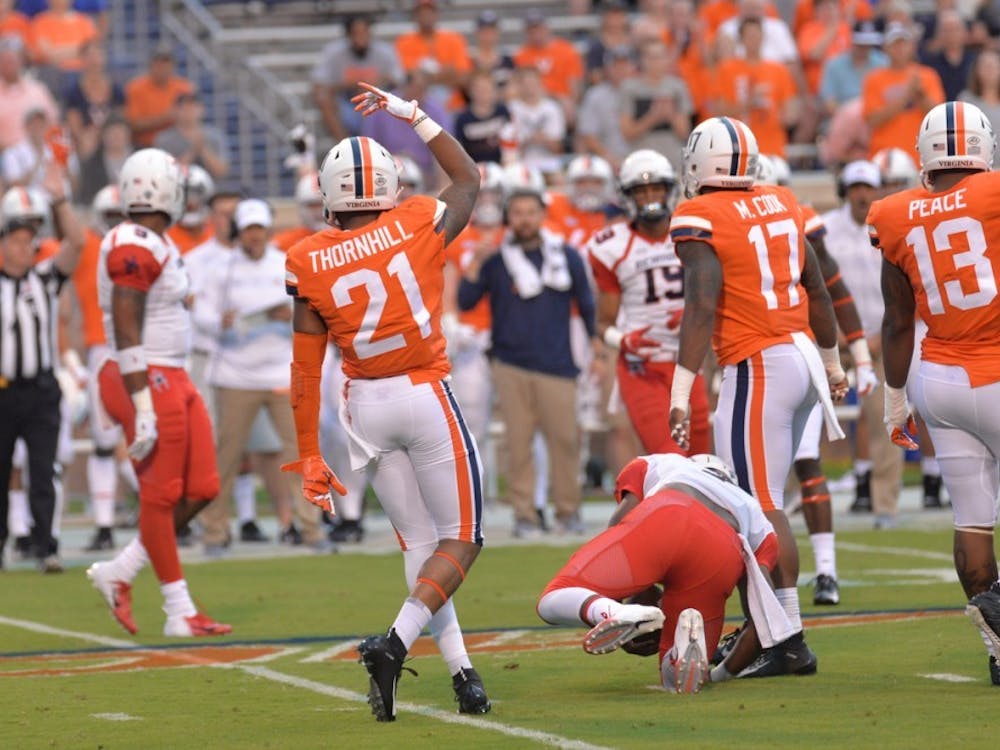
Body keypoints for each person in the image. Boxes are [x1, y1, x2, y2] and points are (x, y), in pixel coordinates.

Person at [283, 82, 488, 721]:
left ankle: (463, 675)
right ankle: (394, 642)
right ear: (387, 186)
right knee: (464, 538)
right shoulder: (415, 220)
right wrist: (414, 114)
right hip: (424, 392)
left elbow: (304, 364)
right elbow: (469, 177)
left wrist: (310, 453)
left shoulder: (308, 258)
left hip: (364, 407)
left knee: (419, 547)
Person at [667, 116, 849, 677]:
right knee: (766, 497)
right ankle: (782, 634)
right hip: (797, 355)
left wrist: (680, 390)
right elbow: (815, 286)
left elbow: (701, 304)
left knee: (757, 505)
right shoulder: (782, 200)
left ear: (701, 165)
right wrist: (831, 359)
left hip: (758, 362)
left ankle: (785, 638)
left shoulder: (699, 212)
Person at [870, 100, 1000, 686]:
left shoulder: (895, 214)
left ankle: (998, 648)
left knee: (972, 520)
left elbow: (897, 321)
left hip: (939, 380)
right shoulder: (994, 194)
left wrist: (895, 400)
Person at [86, 148, 230, 637]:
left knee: (203, 487)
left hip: (174, 373)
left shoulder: (156, 241)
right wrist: (142, 402)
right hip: (145, 374)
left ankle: (120, 571)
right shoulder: (134, 240)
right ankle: (178, 611)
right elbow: (127, 324)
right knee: (162, 494)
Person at [537, 453, 807, 691]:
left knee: (553, 597)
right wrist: (721, 675)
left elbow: (620, 524)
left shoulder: (662, 462)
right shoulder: (753, 511)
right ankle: (681, 655)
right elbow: (762, 622)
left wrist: (630, 596)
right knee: (672, 678)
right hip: (722, 550)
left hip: (668, 512)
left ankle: (612, 613)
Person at [756, 154, 878, 605]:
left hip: (794, 355)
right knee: (752, 480)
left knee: (804, 462)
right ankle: (766, 579)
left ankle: (823, 573)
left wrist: (855, 357)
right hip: (752, 358)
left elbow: (833, 290)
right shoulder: (730, 227)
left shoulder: (800, 223)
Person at [459, 163, 596, 538]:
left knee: (565, 444)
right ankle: (525, 515)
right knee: (518, 447)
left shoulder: (564, 256)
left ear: (542, 214)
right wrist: (474, 264)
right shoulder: (497, 259)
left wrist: (595, 348)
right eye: (517, 213)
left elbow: (586, 304)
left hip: (558, 364)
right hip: (511, 364)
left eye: (530, 212)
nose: (524, 220)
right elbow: (465, 300)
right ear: (508, 217)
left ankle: (568, 511)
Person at [194, 199, 325, 555]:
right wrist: (218, 321)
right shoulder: (221, 267)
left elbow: (313, 307)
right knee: (227, 456)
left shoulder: (285, 262)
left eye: (259, 229)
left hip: (281, 371)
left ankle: (311, 527)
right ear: (240, 232)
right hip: (235, 375)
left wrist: (289, 315)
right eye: (248, 230)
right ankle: (215, 531)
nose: (254, 237)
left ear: (267, 231)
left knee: (302, 451)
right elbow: (199, 310)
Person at [587, 149, 709, 457]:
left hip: (690, 360)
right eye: (641, 191)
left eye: (656, 188)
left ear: (670, 190)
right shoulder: (612, 246)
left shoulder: (694, 231)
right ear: (628, 197)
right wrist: (624, 340)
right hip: (644, 366)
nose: (650, 197)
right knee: (671, 458)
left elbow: (717, 294)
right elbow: (603, 323)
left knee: (699, 458)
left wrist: (694, 312)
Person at [0, 163, 83, 572]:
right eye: (15, 240)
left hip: (41, 389)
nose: (22, 248)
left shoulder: (46, 279)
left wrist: (59, 199)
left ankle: (46, 545)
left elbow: (77, 242)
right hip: (3, 389)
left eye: (28, 240)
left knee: (42, 471)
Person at [821, 160, 903, 528]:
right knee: (797, 410)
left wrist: (878, 334)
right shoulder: (826, 228)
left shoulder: (889, 226)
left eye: (867, 187)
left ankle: (885, 505)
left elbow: (902, 287)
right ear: (845, 191)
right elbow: (815, 284)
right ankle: (792, 494)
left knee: (888, 417)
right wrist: (835, 332)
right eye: (855, 187)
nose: (861, 194)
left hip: (878, 336)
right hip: (832, 338)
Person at [72, 183, 135, 551]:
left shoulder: (142, 246)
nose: (114, 224)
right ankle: (105, 524)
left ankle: (168, 513)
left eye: (119, 216)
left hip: (137, 347)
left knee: (144, 438)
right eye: (108, 216)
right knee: (104, 440)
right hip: (102, 350)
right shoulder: (86, 247)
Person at [861, 21, 944, 162]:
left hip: (921, 155)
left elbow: (939, 117)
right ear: (885, 48)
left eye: (903, 43)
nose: (899, 48)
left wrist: (921, 95)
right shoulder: (874, 79)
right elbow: (873, 120)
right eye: (894, 44)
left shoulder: (927, 75)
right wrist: (906, 96)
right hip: (884, 156)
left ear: (912, 47)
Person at [310, 14, 401, 142]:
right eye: (356, 34)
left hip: (378, 104)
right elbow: (318, 85)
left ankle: (385, 148)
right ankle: (345, 145)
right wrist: (348, 85)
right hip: (346, 103)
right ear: (348, 35)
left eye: (364, 33)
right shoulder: (333, 52)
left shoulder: (384, 52)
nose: (360, 38)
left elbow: (400, 81)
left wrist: (379, 81)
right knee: (323, 98)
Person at [124, 44, 193, 148]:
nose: (163, 68)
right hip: (144, 144)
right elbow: (133, 124)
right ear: (151, 65)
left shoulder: (184, 88)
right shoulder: (136, 88)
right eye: (159, 64)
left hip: (176, 145)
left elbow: (192, 118)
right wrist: (164, 118)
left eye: (166, 64)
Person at [154, 93, 230, 180]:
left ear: (201, 109)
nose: (188, 113)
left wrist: (203, 150)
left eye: (192, 108)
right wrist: (192, 152)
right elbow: (167, 173)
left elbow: (221, 172)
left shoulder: (215, 136)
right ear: (175, 111)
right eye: (184, 109)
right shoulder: (164, 139)